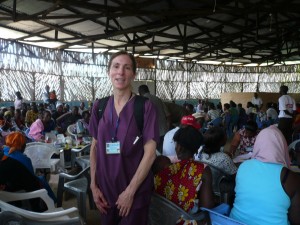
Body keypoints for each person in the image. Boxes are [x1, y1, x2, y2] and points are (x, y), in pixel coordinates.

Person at [88, 51, 159, 225]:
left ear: (133, 74)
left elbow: (150, 154)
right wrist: (93, 185)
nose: (120, 72)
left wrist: (130, 192)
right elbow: (95, 147)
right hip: (105, 193)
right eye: (116, 66)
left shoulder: (144, 107)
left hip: (134, 194)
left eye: (127, 68)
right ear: (109, 72)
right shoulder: (100, 106)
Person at [230, 125, 300, 225]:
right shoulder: (291, 178)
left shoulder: (243, 166)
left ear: (258, 144)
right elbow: (296, 220)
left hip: (234, 222)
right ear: (282, 146)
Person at [154, 126, 214, 213]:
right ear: (197, 149)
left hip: (157, 217)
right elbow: (206, 207)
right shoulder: (203, 170)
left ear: (177, 146)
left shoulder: (161, 162)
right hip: (184, 220)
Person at [138, 84, 171, 153]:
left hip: (151, 134)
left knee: (151, 154)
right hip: (163, 131)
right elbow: (168, 115)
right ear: (148, 90)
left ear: (140, 92)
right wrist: (167, 129)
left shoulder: (141, 101)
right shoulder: (158, 99)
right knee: (162, 152)